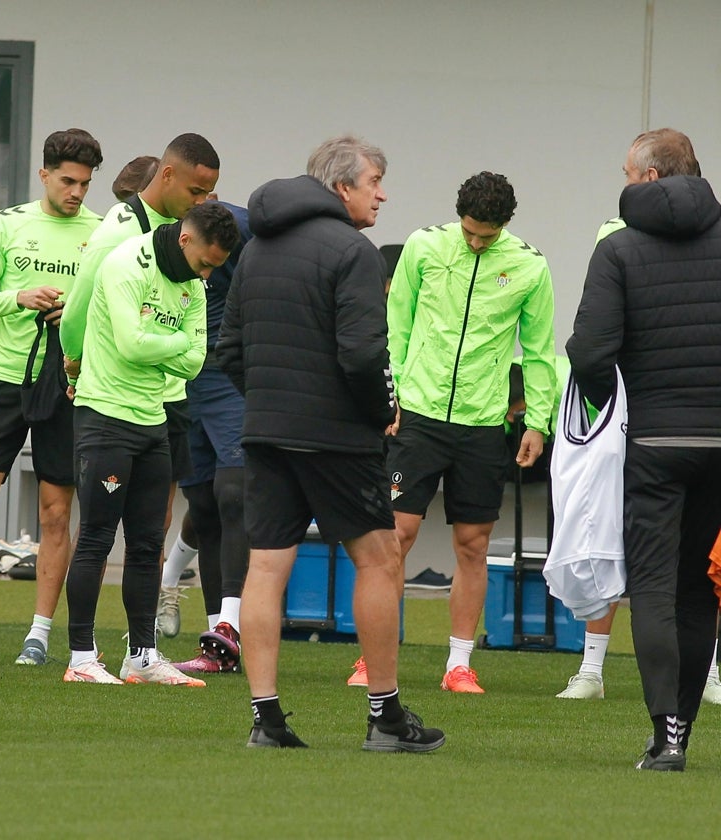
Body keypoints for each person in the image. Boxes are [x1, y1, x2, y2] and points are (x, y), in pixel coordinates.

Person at [217, 135, 444, 752]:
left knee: (265, 568)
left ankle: (266, 721)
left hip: (265, 430)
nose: (383, 193)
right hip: (338, 436)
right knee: (379, 559)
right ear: (342, 187)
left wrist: (267, 397)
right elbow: (365, 353)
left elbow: (228, 350)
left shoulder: (256, 248)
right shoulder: (355, 251)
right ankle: (386, 718)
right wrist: (381, 412)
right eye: (375, 181)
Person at [567, 127, 721, 771]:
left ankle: (668, 737)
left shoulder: (619, 250)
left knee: (654, 589)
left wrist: (617, 408)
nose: (624, 182)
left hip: (653, 442)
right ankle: (686, 719)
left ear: (652, 178)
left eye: (629, 173)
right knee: (698, 591)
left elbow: (589, 351)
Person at [374, 171, 556, 695]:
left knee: (472, 545)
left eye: (488, 236)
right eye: (471, 232)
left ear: (505, 226)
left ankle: (458, 665)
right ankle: (374, 658)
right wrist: (395, 397)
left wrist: (537, 423)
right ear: (459, 217)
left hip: (482, 423)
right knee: (394, 537)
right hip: (420, 416)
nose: (477, 242)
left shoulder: (529, 265)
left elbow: (539, 350)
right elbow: (397, 325)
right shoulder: (424, 246)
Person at [0, 128, 103, 666]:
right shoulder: (8, 224)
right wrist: (20, 298)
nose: (77, 192)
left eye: (85, 183)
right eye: (68, 181)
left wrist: (71, 309)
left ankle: (39, 633)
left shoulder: (101, 234)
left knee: (56, 514)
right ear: (45, 174)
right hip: (4, 380)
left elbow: (110, 309)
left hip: (68, 384)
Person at [62, 202, 239, 685]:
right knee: (97, 537)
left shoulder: (195, 285)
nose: (207, 275)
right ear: (185, 239)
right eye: (205, 263)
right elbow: (130, 345)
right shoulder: (125, 264)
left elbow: (195, 360)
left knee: (147, 543)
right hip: (104, 415)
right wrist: (174, 342)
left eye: (215, 269)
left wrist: (164, 344)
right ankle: (81, 658)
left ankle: (141, 655)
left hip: (153, 418)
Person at [170, 199, 253, 674]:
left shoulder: (238, 229)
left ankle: (231, 627)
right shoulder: (148, 235)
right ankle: (216, 644)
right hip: (180, 375)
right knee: (202, 506)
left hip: (226, 375)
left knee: (233, 495)